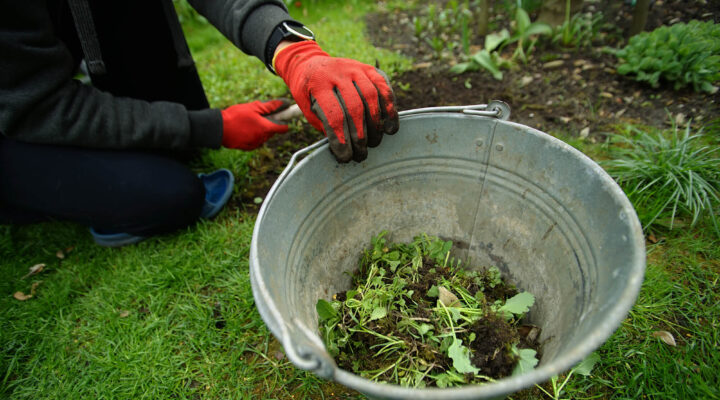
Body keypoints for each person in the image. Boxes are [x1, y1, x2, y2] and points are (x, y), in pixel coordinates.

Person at [0, 0, 399, 247]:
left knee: (177, 150)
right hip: (18, 116)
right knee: (169, 195)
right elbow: (40, 106)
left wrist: (293, 52)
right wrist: (212, 127)